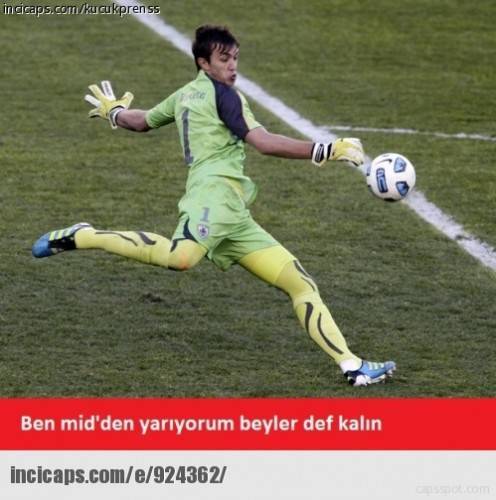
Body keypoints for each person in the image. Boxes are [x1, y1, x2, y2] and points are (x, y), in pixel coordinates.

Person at [32, 25, 395, 387]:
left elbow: (141, 121)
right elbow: (263, 142)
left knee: (300, 283)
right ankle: (86, 236)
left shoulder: (184, 95)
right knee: (181, 258)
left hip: (234, 215)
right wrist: (325, 149)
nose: (232, 66)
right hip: (211, 198)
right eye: (224, 59)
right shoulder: (226, 97)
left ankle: (352, 365)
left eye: (235, 58)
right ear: (204, 63)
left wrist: (114, 113)